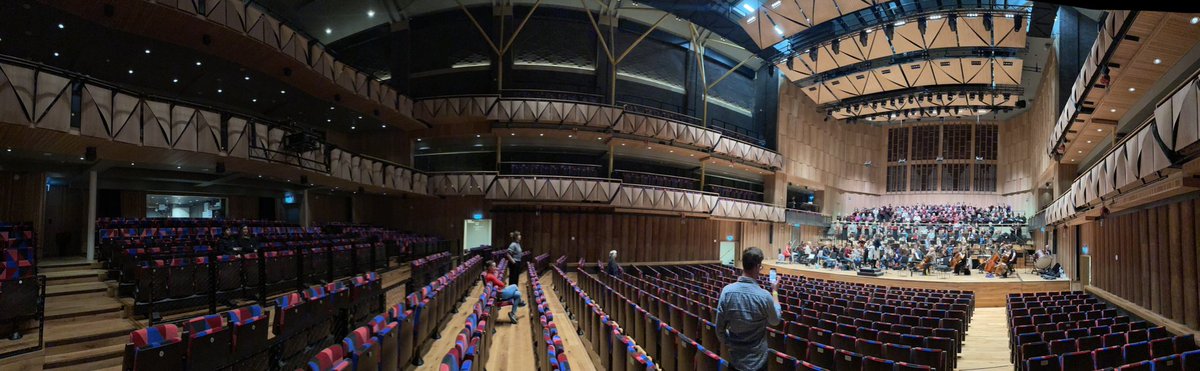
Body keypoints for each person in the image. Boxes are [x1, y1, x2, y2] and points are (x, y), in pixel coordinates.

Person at [715, 247, 782, 371]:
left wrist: (730, 344)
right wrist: (775, 292)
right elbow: (775, 321)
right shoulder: (765, 296)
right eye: (760, 267)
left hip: (735, 359)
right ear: (757, 266)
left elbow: (719, 329)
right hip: (758, 361)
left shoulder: (727, 292)